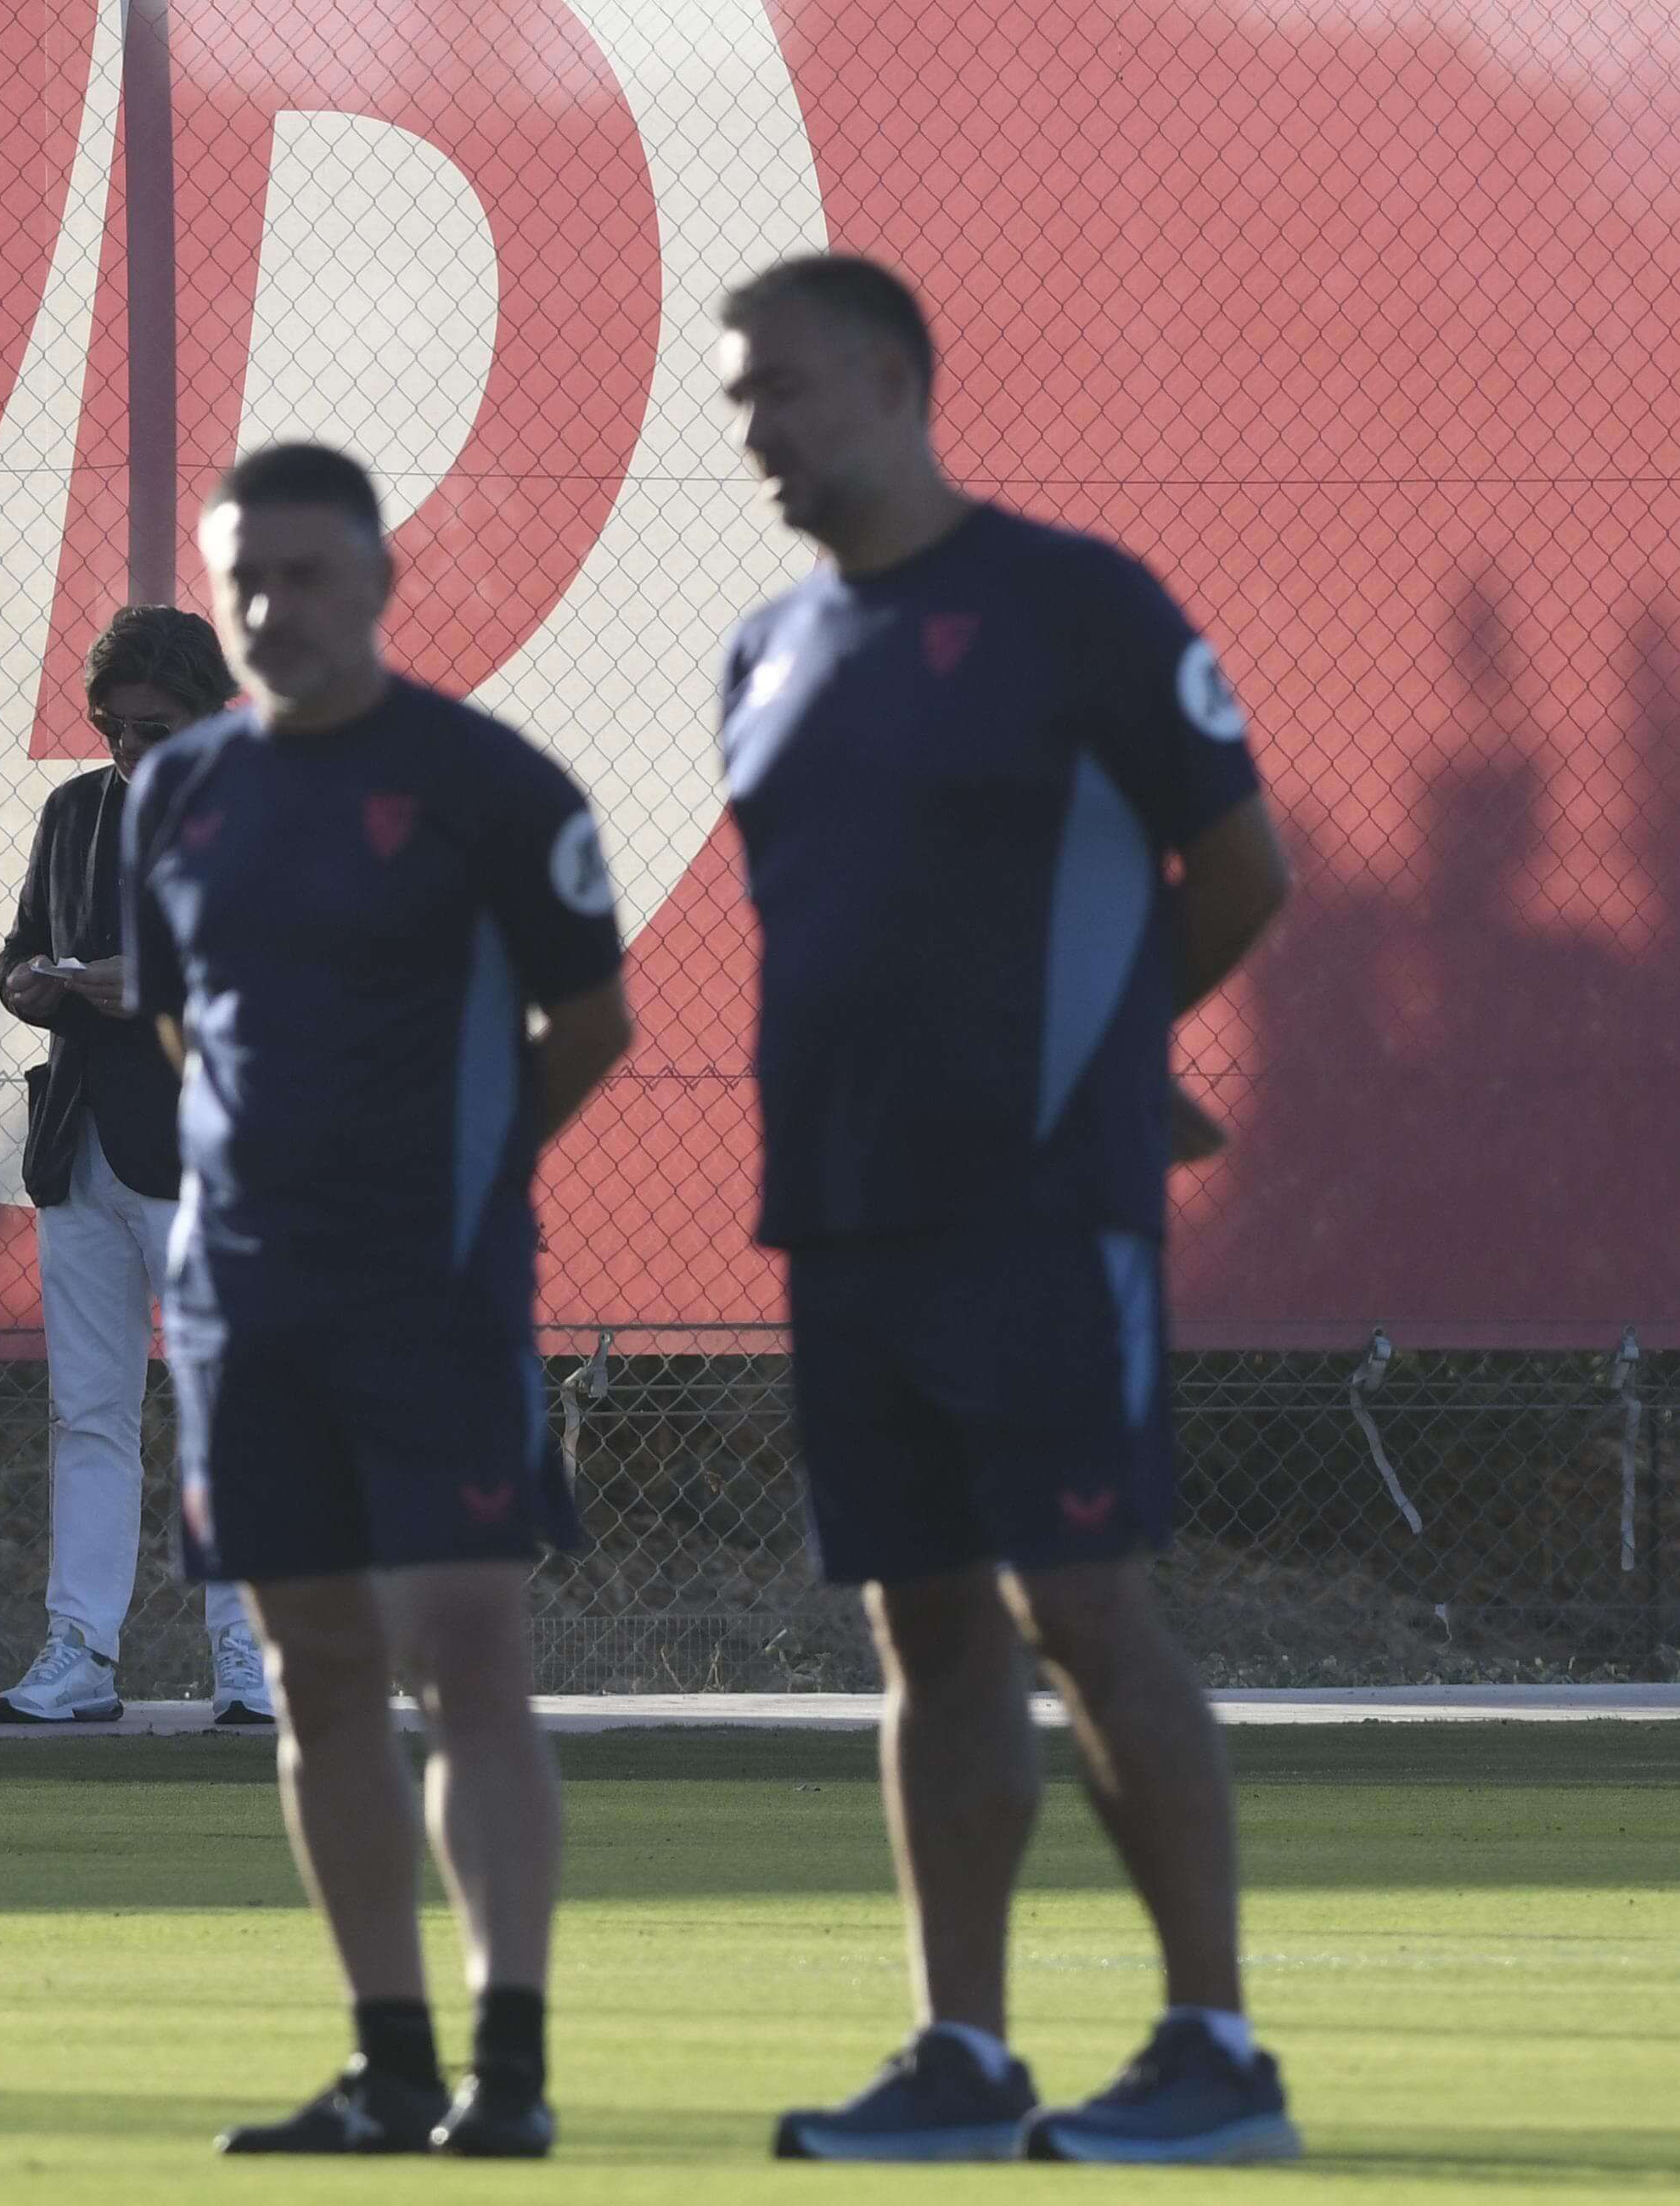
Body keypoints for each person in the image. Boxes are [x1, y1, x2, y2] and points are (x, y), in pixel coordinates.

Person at [711, 255, 1301, 2164]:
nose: (756, 431)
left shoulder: (1078, 606)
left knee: (1086, 1610)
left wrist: (1112, 1058)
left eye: (781, 390)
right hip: (847, 1215)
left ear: (890, 377)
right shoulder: (768, 649)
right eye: (740, 400)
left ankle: (1216, 2053)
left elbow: (1238, 868)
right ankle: (962, 2059)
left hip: (1042, 1205)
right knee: (927, 1631)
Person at [124, 443, 636, 2157]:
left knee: (471, 1660)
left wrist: (464, 1190)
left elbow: (592, 1028)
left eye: (307, 573)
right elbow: (188, 1028)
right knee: (317, 1674)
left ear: (381, 578)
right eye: (244, 577)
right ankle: (390, 2061)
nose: (275, 606)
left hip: (437, 1300)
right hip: (247, 1309)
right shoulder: (176, 792)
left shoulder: (493, 786)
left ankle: (512, 2066)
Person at [0, 606, 271, 1728]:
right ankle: (81, 1648)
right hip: (82, 1143)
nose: (127, 750)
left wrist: (148, 982)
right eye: (111, 727)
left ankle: (248, 1649)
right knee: (88, 1409)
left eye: (153, 730)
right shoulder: (74, 810)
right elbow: (19, 947)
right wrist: (28, 986)